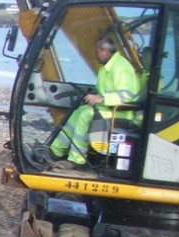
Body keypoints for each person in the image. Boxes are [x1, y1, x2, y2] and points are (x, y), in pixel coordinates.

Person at [50, 37, 143, 168]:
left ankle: (77, 159)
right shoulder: (106, 69)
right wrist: (96, 96)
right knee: (79, 111)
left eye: (97, 52)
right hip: (110, 108)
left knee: (86, 114)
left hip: (123, 113)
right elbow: (106, 91)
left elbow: (128, 95)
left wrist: (103, 99)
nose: (95, 55)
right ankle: (56, 150)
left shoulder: (121, 68)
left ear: (105, 51)